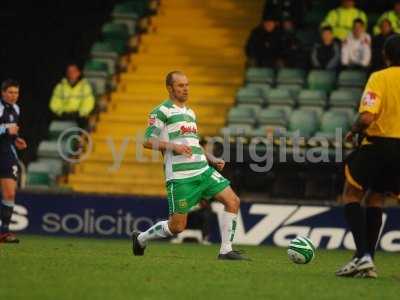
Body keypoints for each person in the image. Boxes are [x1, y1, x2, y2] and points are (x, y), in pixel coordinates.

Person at [132, 71, 248, 260]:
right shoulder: (161, 111)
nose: (185, 89)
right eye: (180, 86)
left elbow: (193, 143)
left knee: (233, 201)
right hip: (180, 178)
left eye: (187, 85)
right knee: (177, 226)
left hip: (203, 170)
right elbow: (147, 141)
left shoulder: (190, 112)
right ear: (170, 88)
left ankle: (226, 250)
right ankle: (141, 239)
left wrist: (210, 157)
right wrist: (173, 146)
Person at [336, 34, 400, 279]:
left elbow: (366, 117)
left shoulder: (379, 77)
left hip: (378, 145)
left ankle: (362, 255)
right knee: (376, 198)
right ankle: (367, 261)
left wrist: (352, 131)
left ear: (385, 55)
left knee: (351, 193)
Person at [0, 79, 27, 243]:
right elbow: (6, 128)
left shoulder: (16, 108)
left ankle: (4, 232)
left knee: (10, 193)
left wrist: (16, 139)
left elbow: (11, 130)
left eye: (16, 92)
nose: (13, 96)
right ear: (3, 92)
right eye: (10, 92)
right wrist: (4, 129)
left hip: (6, 152)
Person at [49, 63, 95, 129]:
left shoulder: (85, 86)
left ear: (78, 73)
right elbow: (54, 104)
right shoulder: (60, 86)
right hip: (63, 115)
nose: (71, 73)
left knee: (84, 123)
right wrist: (61, 112)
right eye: (69, 71)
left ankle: (80, 138)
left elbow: (89, 102)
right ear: (66, 73)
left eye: (74, 71)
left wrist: (81, 113)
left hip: (79, 116)